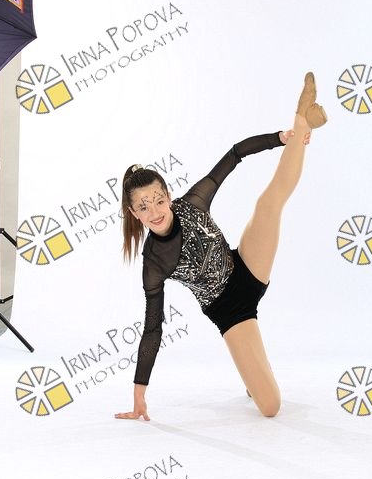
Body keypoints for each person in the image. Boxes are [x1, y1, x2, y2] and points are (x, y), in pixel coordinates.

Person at [115, 72, 327, 421]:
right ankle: (254, 378)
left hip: (247, 266)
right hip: (230, 311)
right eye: (143, 207)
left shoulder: (193, 202)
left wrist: (281, 138)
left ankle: (302, 119)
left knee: (269, 203)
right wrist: (139, 394)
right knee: (270, 407)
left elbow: (235, 154)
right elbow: (153, 328)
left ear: (168, 195)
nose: (155, 211)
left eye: (158, 200)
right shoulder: (153, 261)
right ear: (134, 214)